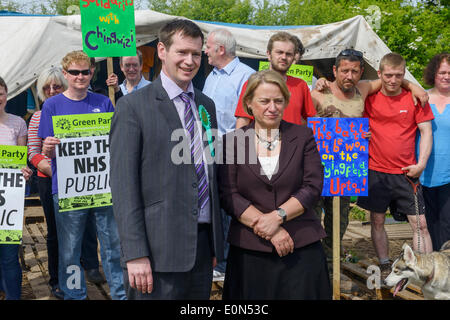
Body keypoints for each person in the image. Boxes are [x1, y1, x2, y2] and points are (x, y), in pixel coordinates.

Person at [109, 19, 224, 300]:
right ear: (161, 50)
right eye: (182, 52)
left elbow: (211, 170)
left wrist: (213, 242)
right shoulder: (132, 106)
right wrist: (135, 253)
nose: (189, 61)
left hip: (201, 248)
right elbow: (123, 187)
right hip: (156, 252)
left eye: (196, 54)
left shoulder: (206, 104)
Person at [218, 69, 331, 299]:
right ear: (249, 103)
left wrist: (277, 217)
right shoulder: (233, 142)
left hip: (300, 246)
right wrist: (270, 229)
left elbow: (312, 186)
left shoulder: (303, 136)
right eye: (264, 101)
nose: (272, 107)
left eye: (279, 101)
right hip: (250, 251)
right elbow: (229, 194)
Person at [311, 49, 428, 266]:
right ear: (335, 70)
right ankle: (310, 263)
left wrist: (414, 86)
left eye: (354, 71)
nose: (349, 76)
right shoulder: (318, 93)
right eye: (344, 70)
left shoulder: (362, 89)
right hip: (318, 168)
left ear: (361, 72)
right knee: (311, 218)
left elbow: (391, 78)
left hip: (346, 170)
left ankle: (331, 264)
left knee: (338, 222)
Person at [38, 51, 125, 300]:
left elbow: (113, 143)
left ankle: (120, 293)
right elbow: (47, 150)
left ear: (92, 73)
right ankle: (75, 294)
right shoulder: (52, 105)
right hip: (68, 189)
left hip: (102, 188)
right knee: (70, 249)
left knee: (112, 246)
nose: (80, 76)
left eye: (85, 71)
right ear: (65, 74)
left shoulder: (104, 102)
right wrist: (48, 148)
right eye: (74, 72)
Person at [27, 67, 105, 299]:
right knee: (57, 236)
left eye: (56, 86)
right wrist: (59, 172)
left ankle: (90, 267)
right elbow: (33, 152)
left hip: (83, 181)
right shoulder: (39, 116)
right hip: (51, 183)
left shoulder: (79, 110)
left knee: (88, 228)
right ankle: (58, 280)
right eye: (46, 87)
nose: (51, 91)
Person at [357, 53, 434, 279]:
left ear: (404, 75)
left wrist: (421, 164)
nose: (393, 80)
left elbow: (426, 131)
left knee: (420, 224)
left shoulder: (414, 98)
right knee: (378, 220)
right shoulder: (367, 96)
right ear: (380, 74)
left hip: (406, 173)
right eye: (388, 75)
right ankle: (384, 263)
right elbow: (350, 90)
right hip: (376, 171)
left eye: (399, 76)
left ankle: (424, 269)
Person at [202, 28, 255, 282]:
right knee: (215, 206)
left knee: (231, 207)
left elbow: (245, 121)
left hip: (232, 153)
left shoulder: (246, 76)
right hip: (208, 150)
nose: (204, 51)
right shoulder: (211, 75)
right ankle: (220, 259)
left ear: (220, 49)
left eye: (207, 46)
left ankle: (226, 264)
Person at [235, 32, 316, 129]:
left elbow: (312, 121)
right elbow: (242, 123)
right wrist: (239, 143)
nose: (284, 57)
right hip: (261, 142)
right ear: (268, 54)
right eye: (279, 52)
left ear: (294, 57)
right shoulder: (253, 84)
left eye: (289, 54)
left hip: (294, 143)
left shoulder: (300, 85)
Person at [0, 76, 32, 300]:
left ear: (7, 94)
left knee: (9, 255)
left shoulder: (18, 122)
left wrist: (25, 171)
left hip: (8, 201)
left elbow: (21, 162)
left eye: (0, 93)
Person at [419, 53, 450, 251]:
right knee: (427, 225)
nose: (447, 76)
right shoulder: (421, 97)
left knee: (447, 225)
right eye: (442, 72)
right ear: (434, 74)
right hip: (424, 173)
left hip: (449, 174)